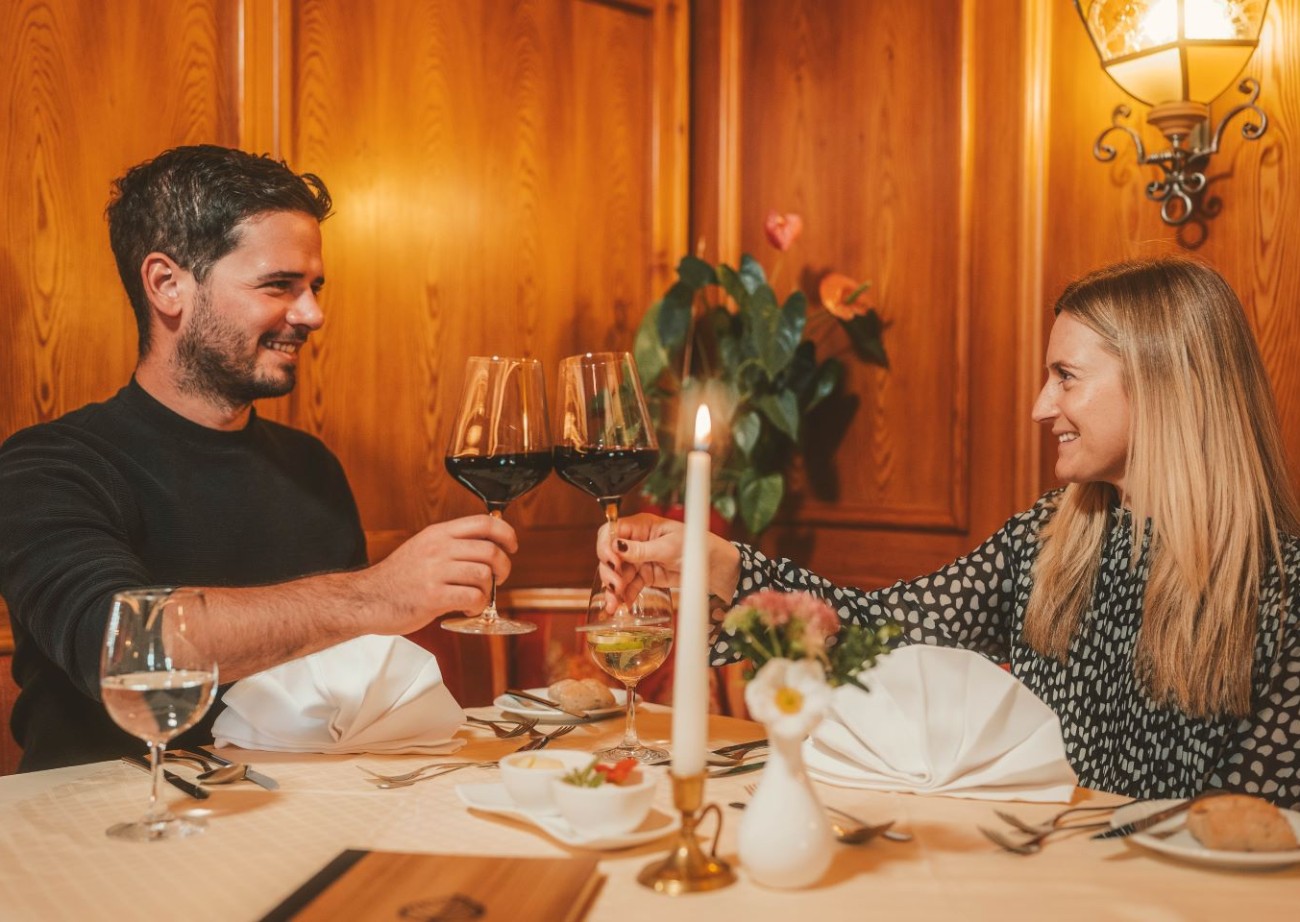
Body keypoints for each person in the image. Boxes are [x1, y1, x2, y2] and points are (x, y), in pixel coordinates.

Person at [600, 257, 1300, 809]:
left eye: (1066, 377)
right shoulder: (1048, 537)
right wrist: (719, 564)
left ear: (1163, 383)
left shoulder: (1282, 590)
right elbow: (879, 632)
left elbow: (1261, 837)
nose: (1040, 406)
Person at [0, 145, 516, 771]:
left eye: (314, 287)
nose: (313, 314)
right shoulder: (47, 465)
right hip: (105, 817)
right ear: (167, 285)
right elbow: (123, 649)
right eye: (279, 285)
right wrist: (375, 594)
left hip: (303, 806)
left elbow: (347, 683)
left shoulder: (311, 466)